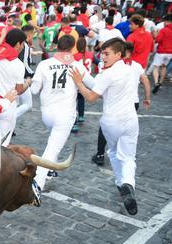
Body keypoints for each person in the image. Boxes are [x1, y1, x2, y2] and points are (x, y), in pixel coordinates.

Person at [70, 38, 143, 215]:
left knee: (114, 153)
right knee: (128, 157)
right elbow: (103, 90)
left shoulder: (107, 74)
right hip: (130, 119)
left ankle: (121, 183)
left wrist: (79, 81)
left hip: (112, 121)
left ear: (119, 54)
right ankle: (127, 183)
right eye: (102, 53)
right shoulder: (130, 69)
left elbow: (92, 97)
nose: (103, 56)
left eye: (107, 53)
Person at [31, 35, 94, 191]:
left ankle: (50, 170)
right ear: (73, 48)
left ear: (57, 46)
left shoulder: (44, 64)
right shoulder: (78, 66)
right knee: (52, 148)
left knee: (54, 141)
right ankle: (38, 183)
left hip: (47, 113)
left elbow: (33, 90)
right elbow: (95, 85)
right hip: (65, 115)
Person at [0, 29, 29, 146]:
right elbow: (19, 90)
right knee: (1, 142)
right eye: (23, 43)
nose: (23, 46)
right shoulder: (18, 64)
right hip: (7, 103)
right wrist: (28, 83)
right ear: (18, 44)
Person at [151, 14, 172, 94]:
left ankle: (156, 83)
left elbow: (158, 40)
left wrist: (156, 35)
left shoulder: (164, 30)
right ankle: (160, 82)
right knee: (164, 67)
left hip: (161, 51)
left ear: (167, 21)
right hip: (170, 53)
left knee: (156, 67)